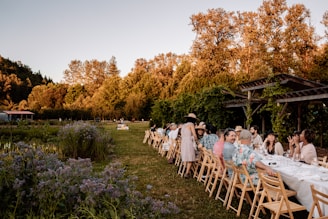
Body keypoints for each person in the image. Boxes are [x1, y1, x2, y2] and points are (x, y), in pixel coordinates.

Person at [180, 113, 199, 178]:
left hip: (184, 141)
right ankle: (187, 173)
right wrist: (197, 141)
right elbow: (194, 134)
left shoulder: (183, 125)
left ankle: (186, 170)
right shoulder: (191, 124)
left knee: (186, 156)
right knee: (190, 157)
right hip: (189, 142)